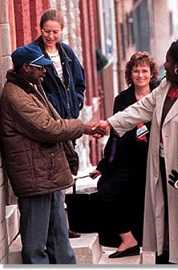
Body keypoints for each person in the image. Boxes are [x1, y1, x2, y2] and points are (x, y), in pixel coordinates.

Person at [95, 40, 178, 264]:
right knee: (169, 230)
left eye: (169, 61)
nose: (164, 65)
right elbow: (141, 108)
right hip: (167, 170)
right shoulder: (165, 87)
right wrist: (110, 124)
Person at [0, 44, 102, 264]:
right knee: (36, 243)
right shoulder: (15, 95)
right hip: (35, 178)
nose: (45, 71)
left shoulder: (32, 86)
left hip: (49, 173)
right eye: (40, 67)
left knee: (59, 237)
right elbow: (48, 128)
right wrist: (82, 127)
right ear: (26, 67)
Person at [89, 52, 159, 258]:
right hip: (127, 159)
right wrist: (103, 165)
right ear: (130, 74)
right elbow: (115, 133)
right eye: (136, 70)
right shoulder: (123, 99)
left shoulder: (160, 95)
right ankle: (128, 239)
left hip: (154, 158)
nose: (140, 75)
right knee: (106, 190)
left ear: (151, 73)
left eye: (144, 70)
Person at [33, 8, 86, 238]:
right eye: (47, 31)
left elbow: (79, 83)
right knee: (54, 173)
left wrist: (76, 105)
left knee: (69, 168)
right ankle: (58, 226)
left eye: (55, 32)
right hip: (49, 124)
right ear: (40, 29)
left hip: (68, 122)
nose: (51, 36)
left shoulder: (67, 54)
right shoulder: (34, 55)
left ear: (61, 31)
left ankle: (66, 224)